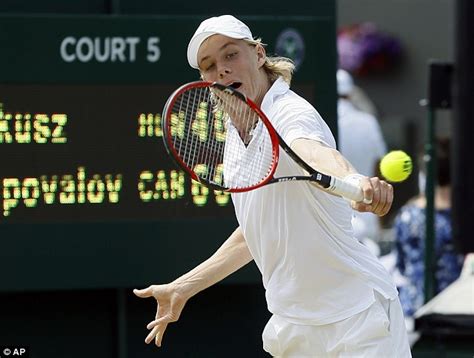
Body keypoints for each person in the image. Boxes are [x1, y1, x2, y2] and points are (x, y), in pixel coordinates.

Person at [134, 15, 411, 357]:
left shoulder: (290, 112)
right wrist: (184, 287)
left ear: (259, 54)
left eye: (230, 55)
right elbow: (255, 231)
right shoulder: (233, 139)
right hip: (293, 325)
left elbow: (314, 151)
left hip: (357, 320)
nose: (221, 69)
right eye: (209, 66)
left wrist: (353, 182)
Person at [394, 138, 464, 318]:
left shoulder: (407, 215)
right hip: (458, 313)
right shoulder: (465, 216)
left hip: (413, 312)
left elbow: (401, 265)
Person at [337, 69, 388, 253]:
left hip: (336, 217)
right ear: (350, 92)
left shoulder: (318, 120)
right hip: (368, 213)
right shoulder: (368, 122)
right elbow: (378, 171)